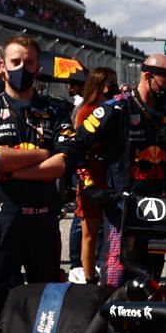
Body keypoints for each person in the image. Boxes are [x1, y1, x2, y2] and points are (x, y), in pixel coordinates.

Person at [0, 35, 71, 333]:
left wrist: (13, 169)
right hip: (0, 218)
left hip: (43, 220)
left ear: (38, 66)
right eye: (16, 62)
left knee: (46, 298)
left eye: (29, 62)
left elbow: (64, 163)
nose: (22, 67)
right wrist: (41, 155)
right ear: (2, 66)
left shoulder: (57, 110)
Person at [57, 55, 166, 287]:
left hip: (155, 207)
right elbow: (75, 147)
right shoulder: (115, 109)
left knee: (150, 275)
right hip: (121, 206)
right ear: (148, 77)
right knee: (115, 274)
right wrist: (90, 186)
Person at [69, 66, 119, 284]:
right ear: (99, 85)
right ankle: (88, 278)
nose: (113, 88)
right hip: (90, 177)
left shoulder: (116, 110)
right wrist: (87, 181)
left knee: (112, 232)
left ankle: (108, 272)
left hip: (111, 177)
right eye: (110, 83)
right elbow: (79, 148)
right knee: (89, 232)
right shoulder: (85, 111)